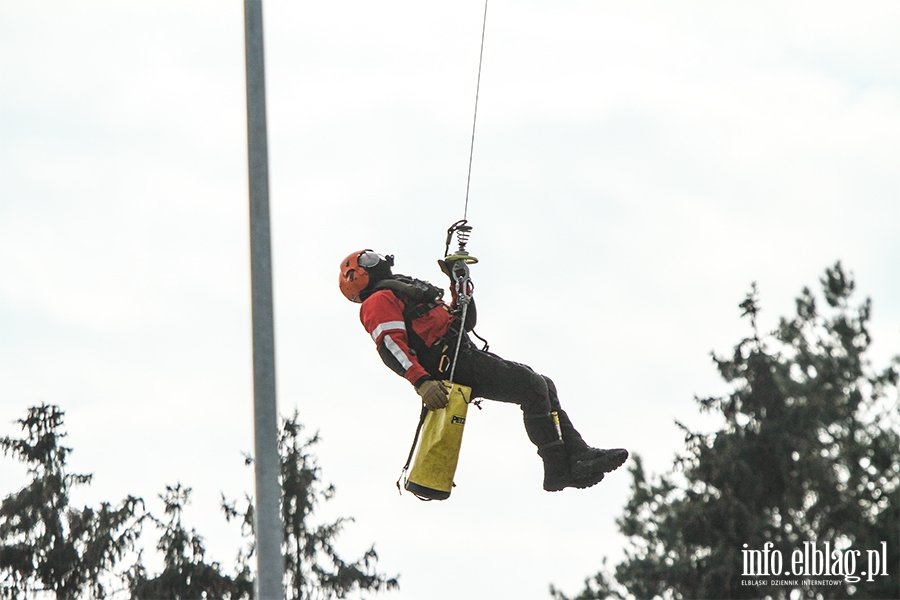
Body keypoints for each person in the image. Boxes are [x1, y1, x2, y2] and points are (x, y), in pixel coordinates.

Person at [338, 249, 627, 491]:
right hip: (450, 364)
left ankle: (576, 455)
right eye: (367, 260)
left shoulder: (402, 293)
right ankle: (559, 469)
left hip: (461, 354)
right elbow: (391, 346)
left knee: (543, 385)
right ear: (356, 276)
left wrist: (459, 281)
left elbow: (465, 320)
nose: (376, 261)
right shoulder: (377, 301)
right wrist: (422, 382)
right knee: (531, 385)